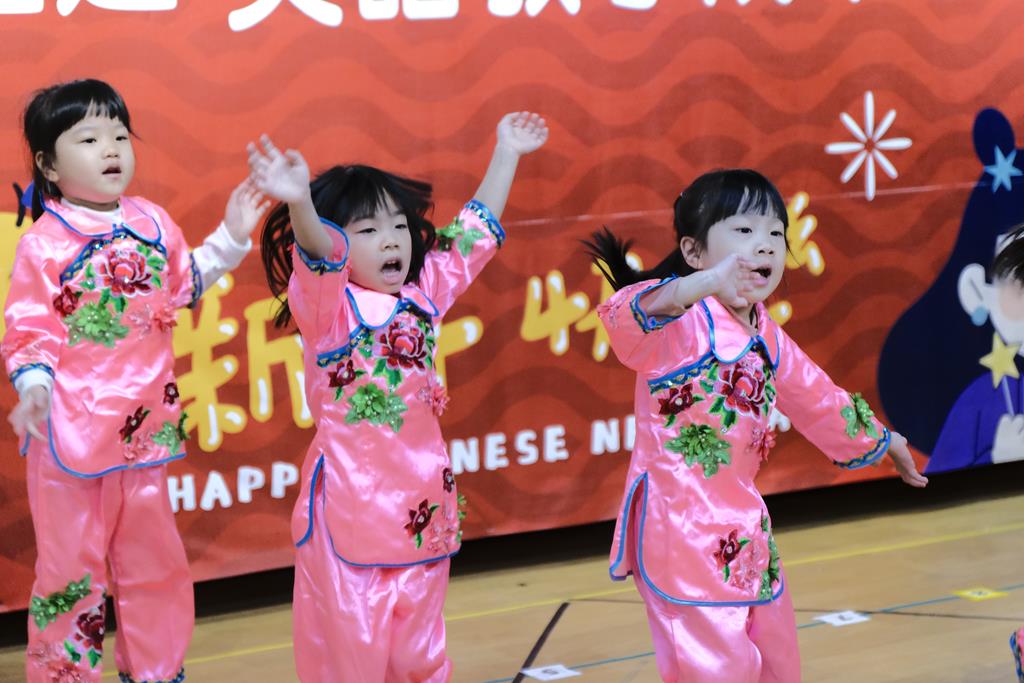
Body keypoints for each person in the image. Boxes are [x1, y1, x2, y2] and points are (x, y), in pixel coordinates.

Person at [588, 168, 927, 683]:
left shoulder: (763, 330)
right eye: (744, 231)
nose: (765, 244)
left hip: (746, 529)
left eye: (775, 233)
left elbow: (817, 396)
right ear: (694, 251)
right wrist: (706, 284)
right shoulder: (678, 326)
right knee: (716, 671)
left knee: (777, 662)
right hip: (680, 533)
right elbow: (626, 315)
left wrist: (885, 440)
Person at [249, 111, 548, 681]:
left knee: (419, 655)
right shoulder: (329, 310)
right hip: (350, 511)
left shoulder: (423, 295)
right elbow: (319, 254)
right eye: (367, 230)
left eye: (397, 226)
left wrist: (506, 151)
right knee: (355, 654)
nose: (390, 240)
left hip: (421, 506)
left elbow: (473, 236)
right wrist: (300, 204)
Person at [3, 78, 267, 683]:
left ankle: (156, 671)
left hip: (143, 437)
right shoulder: (45, 244)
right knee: (70, 576)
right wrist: (34, 388)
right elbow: (29, 330)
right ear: (48, 164)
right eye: (89, 139)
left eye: (120, 136)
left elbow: (183, 285)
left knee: (155, 565)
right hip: (70, 441)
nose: (111, 149)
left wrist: (230, 236)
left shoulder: (152, 221)